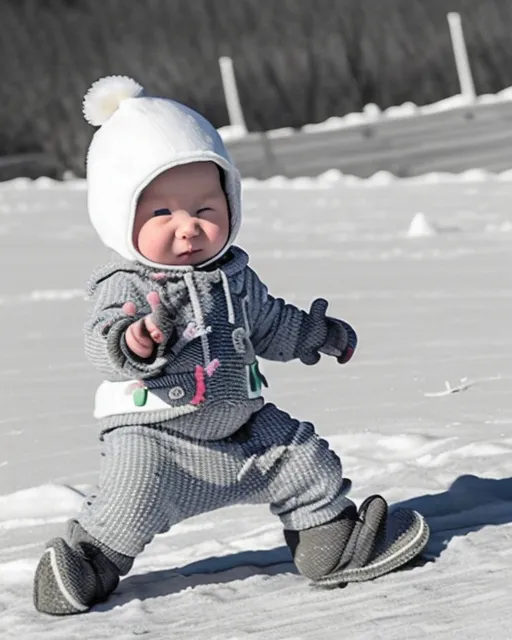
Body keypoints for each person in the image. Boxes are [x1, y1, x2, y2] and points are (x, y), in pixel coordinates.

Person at [33, 76, 429, 615]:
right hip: (159, 438)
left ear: (230, 201)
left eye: (205, 207)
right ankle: (85, 566)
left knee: (304, 458)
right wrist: (135, 340)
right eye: (161, 214)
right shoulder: (126, 285)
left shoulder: (234, 277)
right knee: (126, 505)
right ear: (119, 217)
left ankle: (329, 544)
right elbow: (100, 341)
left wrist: (315, 334)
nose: (189, 227)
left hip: (244, 429)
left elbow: (269, 322)